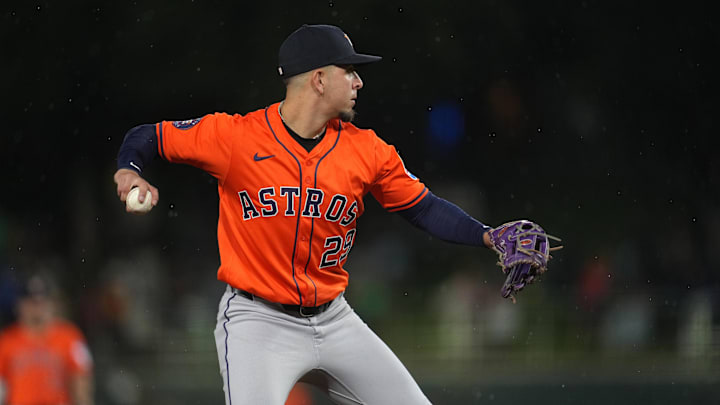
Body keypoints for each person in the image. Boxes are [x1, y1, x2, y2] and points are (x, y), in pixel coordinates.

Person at [113, 24, 495, 404]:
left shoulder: (367, 150)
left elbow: (425, 208)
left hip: (335, 319)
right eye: (349, 71)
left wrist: (486, 235)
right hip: (258, 322)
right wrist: (130, 168)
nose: (358, 82)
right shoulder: (236, 138)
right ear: (319, 79)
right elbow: (148, 136)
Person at [0, 275, 94, 405]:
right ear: (19, 305)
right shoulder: (6, 340)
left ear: (52, 305)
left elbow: (81, 381)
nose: (37, 309)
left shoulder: (69, 337)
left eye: (42, 302)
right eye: (32, 302)